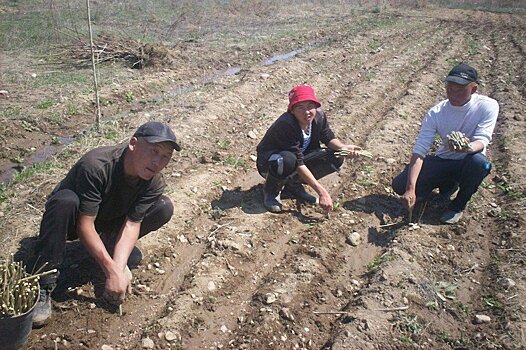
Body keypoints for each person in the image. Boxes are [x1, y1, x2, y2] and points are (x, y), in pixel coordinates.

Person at [28, 121, 180, 327]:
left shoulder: (154, 181)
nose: (157, 162)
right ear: (133, 143)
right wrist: (112, 271)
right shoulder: (96, 165)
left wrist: (118, 265)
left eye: (165, 157)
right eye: (153, 151)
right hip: (73, 220)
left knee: (163, 207)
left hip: (107, 219)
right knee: (65, 202)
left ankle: (110, 244)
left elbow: (132, 224)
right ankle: (42, 283)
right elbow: (84, 225)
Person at [392, 63, 499, 224]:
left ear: (473, 89)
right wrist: (410, 188)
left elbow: (482, 140)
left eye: (460, 91)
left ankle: (457, 206)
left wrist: (466, 148)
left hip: (466, 163)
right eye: (450, 89)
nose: (453, 95)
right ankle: (446, 185)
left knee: (480, 164)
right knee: (400, 184)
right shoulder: (436, 113)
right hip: (444, 160)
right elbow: (420, 151)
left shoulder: (487, 106)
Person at [256, 85, 362, 213]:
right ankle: (271, 190)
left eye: (310, 106)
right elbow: (298, 162)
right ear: (292, 110)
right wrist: (321, 192)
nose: (306, 112)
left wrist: (343, 147)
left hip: (297, 160)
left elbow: (328, 137)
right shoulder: (286, 124)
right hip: (271, 164)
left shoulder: (318, 117)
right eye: (300, 107)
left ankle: (292, 184)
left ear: (316, 107)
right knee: (287, 159)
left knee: (337, 155)